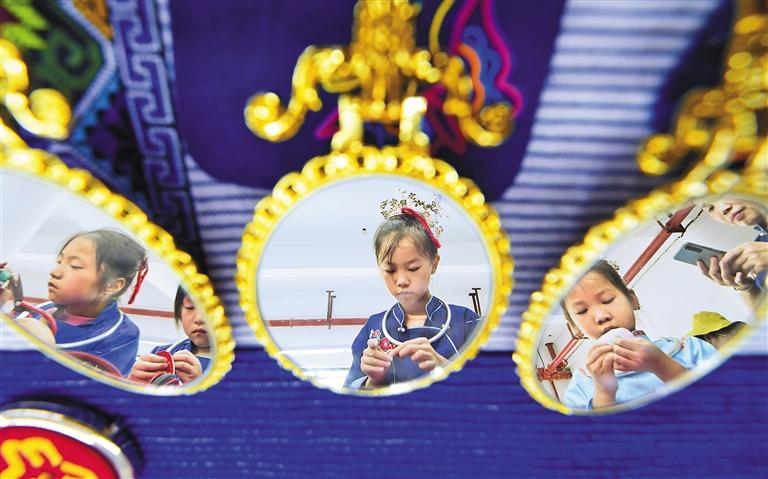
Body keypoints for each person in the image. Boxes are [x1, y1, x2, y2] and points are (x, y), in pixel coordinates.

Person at [344, 206, 480, 388]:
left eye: (413, 268)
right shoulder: (373, 327)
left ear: (434, 264)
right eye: (390, 270)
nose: (401, 280)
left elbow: (494, 388)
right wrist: (372, 380)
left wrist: (445, 368)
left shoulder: (466, 322)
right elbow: (348, 396)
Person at [561, 260, 717, 409]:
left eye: (607, 300)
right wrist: (603, 394)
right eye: (582, 311)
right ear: (574, 328)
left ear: (632, 299)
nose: (601, 316)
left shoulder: (690, 349)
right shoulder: (580, 388)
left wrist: (662, 365)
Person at [15, 229, 146, 376]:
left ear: (112, 285)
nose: (55, 272)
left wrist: (44, 350)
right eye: (59, 262)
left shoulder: (121, 336)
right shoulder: (35, 311)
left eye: (75, 266)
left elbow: (89, 387)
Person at [127, 286, 211, 384]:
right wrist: (133, 383)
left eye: (211, 309)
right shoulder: (162, 353)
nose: (199, 319)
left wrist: (199, 386)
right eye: (190, 307)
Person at [699, 196, 768, 308]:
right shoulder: (756, 253)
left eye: (724, 194)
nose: (723, 209)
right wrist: (746, 288)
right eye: (711, 208)